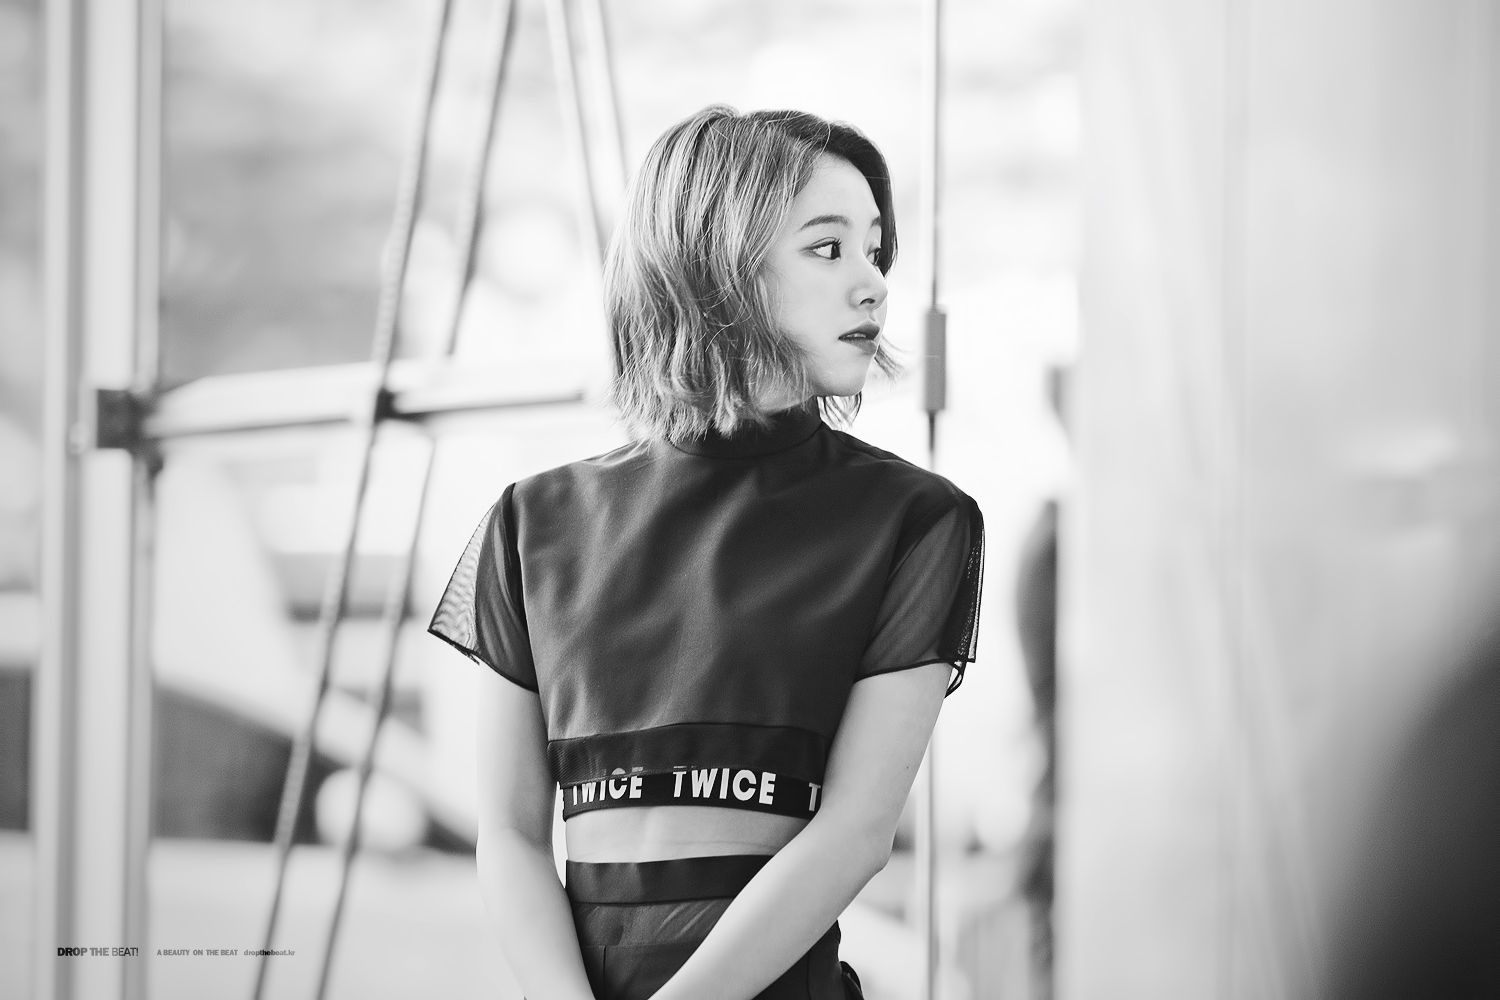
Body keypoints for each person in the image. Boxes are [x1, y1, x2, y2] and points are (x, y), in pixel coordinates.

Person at [430, 105, 985, 1000]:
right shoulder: (531, 523)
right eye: (828, 247)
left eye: (877, 250)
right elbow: (510, 833)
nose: (874, 284)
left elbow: (855, 833)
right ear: (715, 264)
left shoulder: (914, 520)